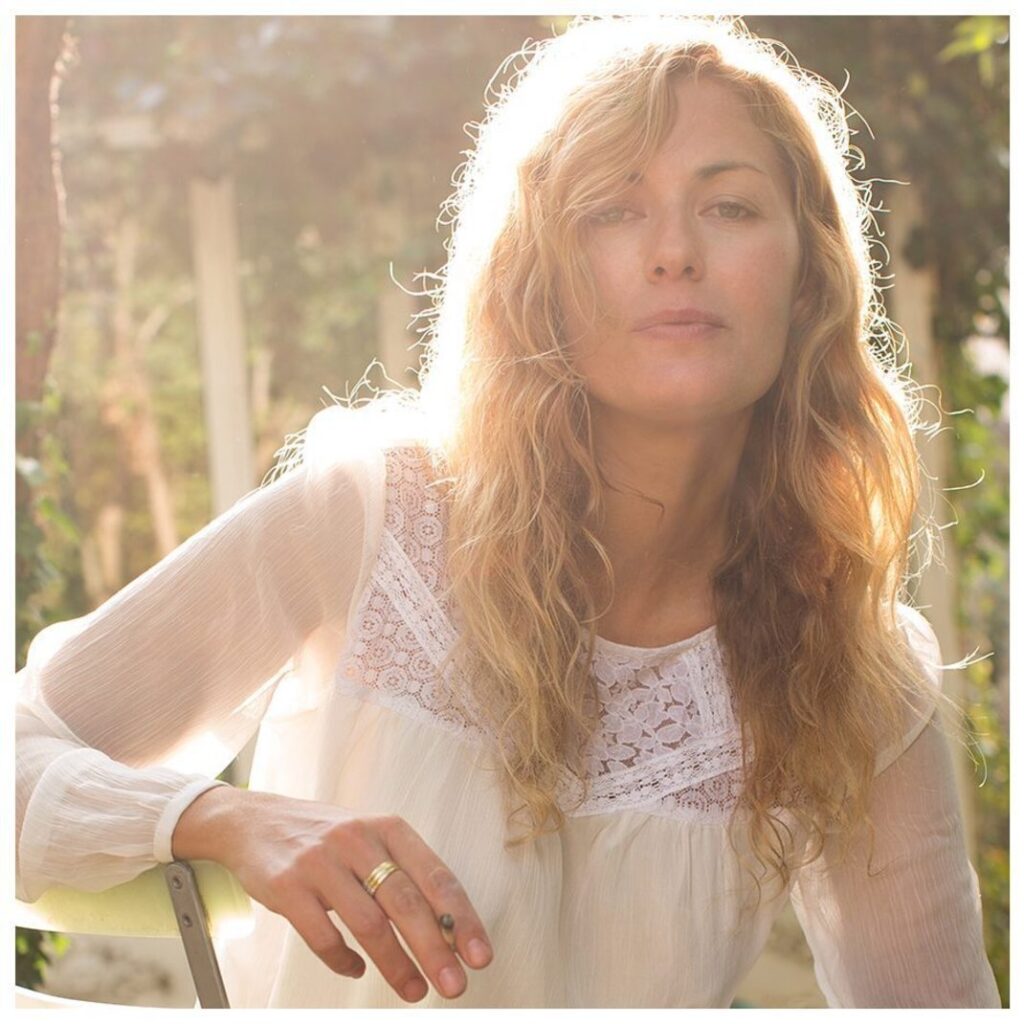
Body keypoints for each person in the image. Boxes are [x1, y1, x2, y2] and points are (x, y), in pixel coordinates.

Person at [15, 13, 1001, 1009]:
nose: (674, 252)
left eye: (731, 206)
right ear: (537, 276)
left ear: (809, 276)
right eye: (612, 211)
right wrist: (226, 817)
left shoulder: (853, 667)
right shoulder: (369, 520)